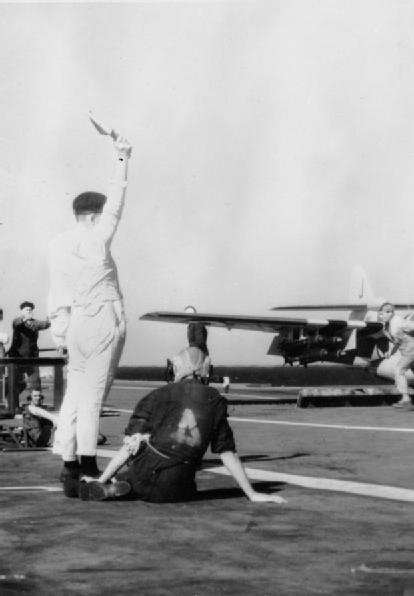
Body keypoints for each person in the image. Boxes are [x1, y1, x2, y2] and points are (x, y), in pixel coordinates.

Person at [79, 347, 286, 504]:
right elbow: (227, 453)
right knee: (180, 480)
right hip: (179, 489)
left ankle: (113, 484)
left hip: (145, 474)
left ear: (178, 368)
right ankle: (123, 484)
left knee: (139, 446)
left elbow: (130, 445)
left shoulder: (159, 395)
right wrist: (252, 493)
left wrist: (103, 478)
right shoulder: (216, 400)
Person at [47, 129, 132, 496]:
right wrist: (122, 155)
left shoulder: (59, 245)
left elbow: (57, 294)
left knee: (75, 397)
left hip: (76, 323)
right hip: (101, 321)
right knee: (93, 397)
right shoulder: (97, 238)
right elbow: (118, 200)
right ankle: (88, 470)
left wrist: (62, 335)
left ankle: (68, 466)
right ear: (95, 217)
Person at [8, 301, 51, 405]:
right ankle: (14, 406)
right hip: (17, 358)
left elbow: (45, 324)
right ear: (21, 311)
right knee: (16, 384)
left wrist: (51, 316)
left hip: (32, 358)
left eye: (30, 310)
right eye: (27, 309)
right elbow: (17, 324)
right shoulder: (17, 321)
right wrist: (25, 319)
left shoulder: (35, 323)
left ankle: (36, 405)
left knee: (36, 383)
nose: (29, 311)